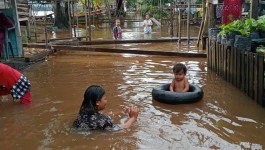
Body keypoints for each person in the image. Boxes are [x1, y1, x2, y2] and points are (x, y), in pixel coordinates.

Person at [73, 85, 139, 130]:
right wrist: (133, 118)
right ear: (97, 102)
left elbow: (103, 115)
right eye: (105, 99)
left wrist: (122, 112)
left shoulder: (83, 112)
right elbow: (120, 129)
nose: (106, 101)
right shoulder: (102, 120)